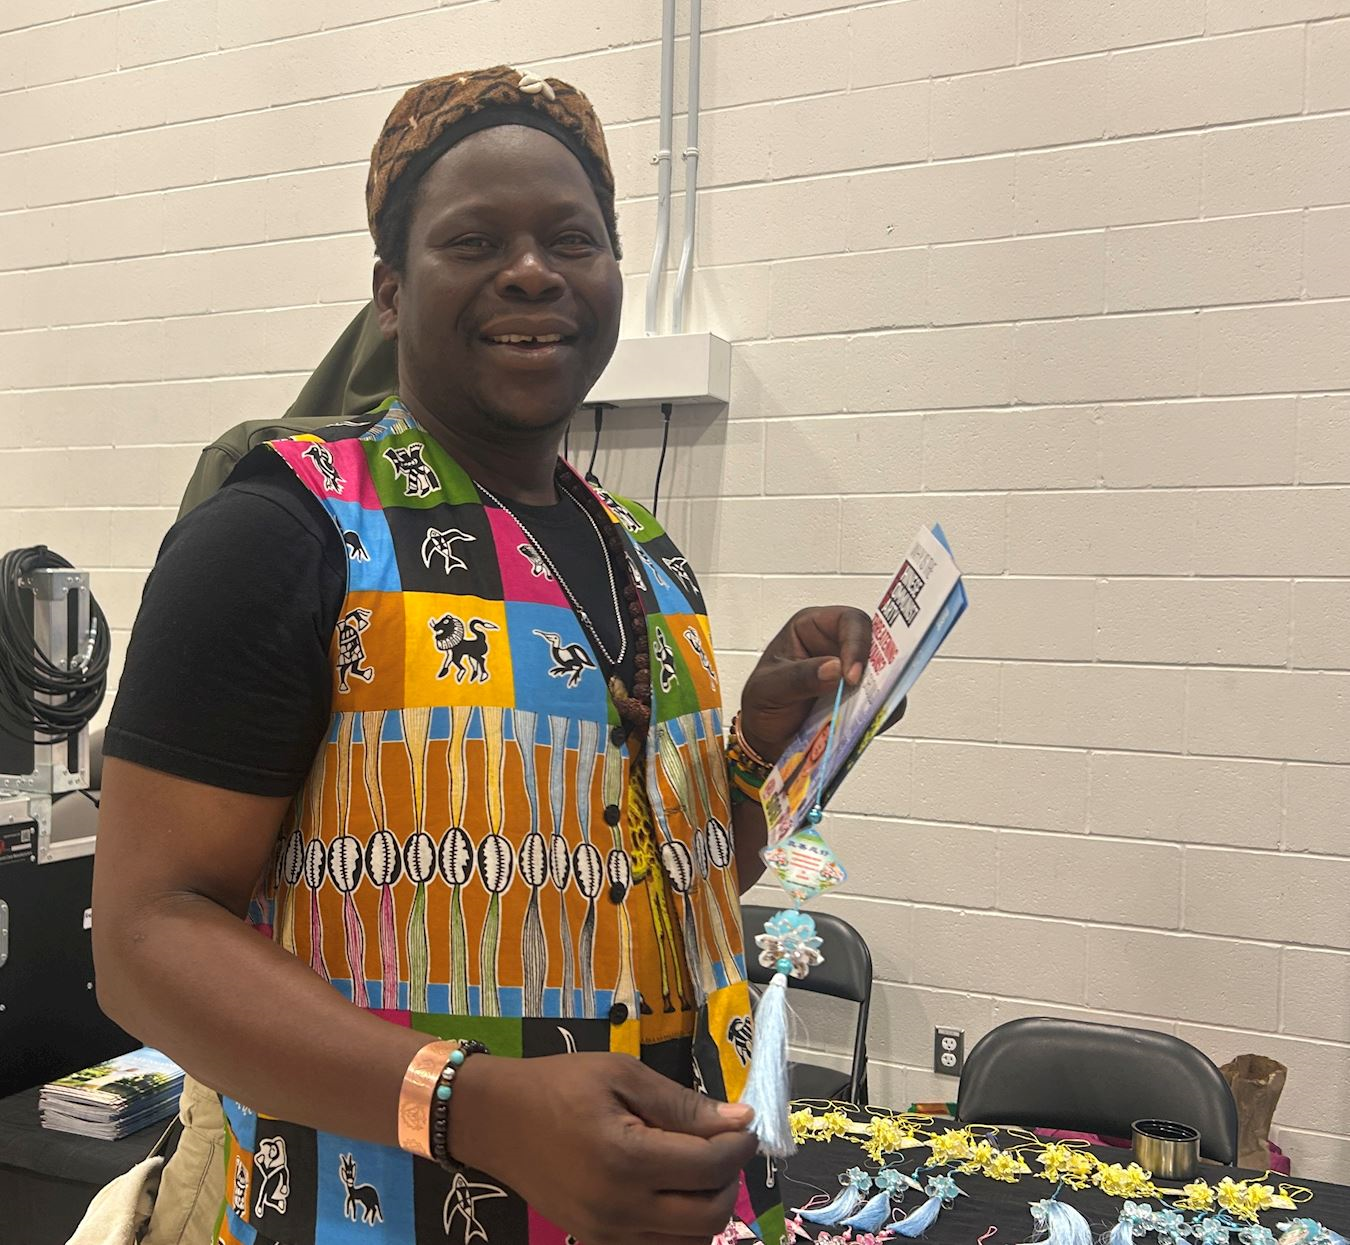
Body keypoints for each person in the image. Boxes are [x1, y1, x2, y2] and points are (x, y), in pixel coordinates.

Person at [94, 65, 873, 1245]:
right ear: (391, 293)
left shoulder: (645, 555)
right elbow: (145, 937)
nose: (533, 270)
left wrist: (763, 748)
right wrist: (472, 1105)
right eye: (474, 241)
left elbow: (671, 884)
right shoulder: (286, 533)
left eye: (574, 239)